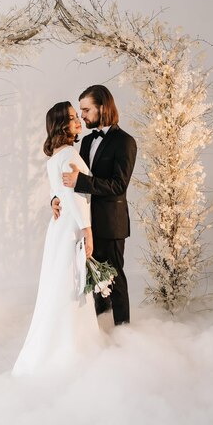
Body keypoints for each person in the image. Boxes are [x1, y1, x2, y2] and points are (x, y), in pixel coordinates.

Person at [12, 101, 101, 376]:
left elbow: (57, 192)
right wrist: (87, 230)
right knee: (71, 288)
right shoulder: (70, 153)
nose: (77, 122)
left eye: (78, 116)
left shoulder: (55, 157)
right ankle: (70, 352)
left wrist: (54, 199)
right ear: (62, 125)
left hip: (58, 229)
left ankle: (55, 347)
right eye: (73, 118)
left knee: (59, 286)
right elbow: (74, 197)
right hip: (71, 227)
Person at [54, 85, 137, 326]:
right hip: (86, 222)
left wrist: (82, 181)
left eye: (87, 109)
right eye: (81, 110)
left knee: (114, 278)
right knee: (94, 278)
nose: (82, 115)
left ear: (103, 107)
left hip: (111, 223)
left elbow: (118, 185)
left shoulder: (125, 142)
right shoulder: (87, 141)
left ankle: (123, 331)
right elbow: (69, 177)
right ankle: (102, 326)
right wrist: (56, 198)